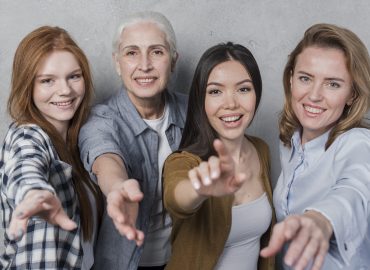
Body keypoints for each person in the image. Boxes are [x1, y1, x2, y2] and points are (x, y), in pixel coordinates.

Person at [78, 11, 187, 270]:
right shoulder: (101, 120)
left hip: (183, 260)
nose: (145, 65)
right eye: (131, 53)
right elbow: (104, 157)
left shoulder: (194, 110)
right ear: (117, 62)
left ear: (173, 60)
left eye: (157, 52)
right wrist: (117, 187)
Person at [260, 23, 370, 270]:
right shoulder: (290, 142)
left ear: (352, 94)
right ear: (291, 80)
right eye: (305, 78)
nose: (314, 95)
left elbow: (353, 190)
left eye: (333, 84)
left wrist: (319, 220)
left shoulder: (358, 143)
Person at [162, 42, 275, 270]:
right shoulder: (182, 161)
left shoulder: (261, 150)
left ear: (257, 93)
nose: (231, 103)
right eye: (215, 91)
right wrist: (199, 190)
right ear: (201, 100)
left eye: (243, 89)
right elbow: (177, 198)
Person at [0, 26, 103, 269]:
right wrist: (34, 194)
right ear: (28, 86)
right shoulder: (27, 135)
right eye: (48, 81)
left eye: (74, 76)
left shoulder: (78, 140)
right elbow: (26, 167)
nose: (65, 90)